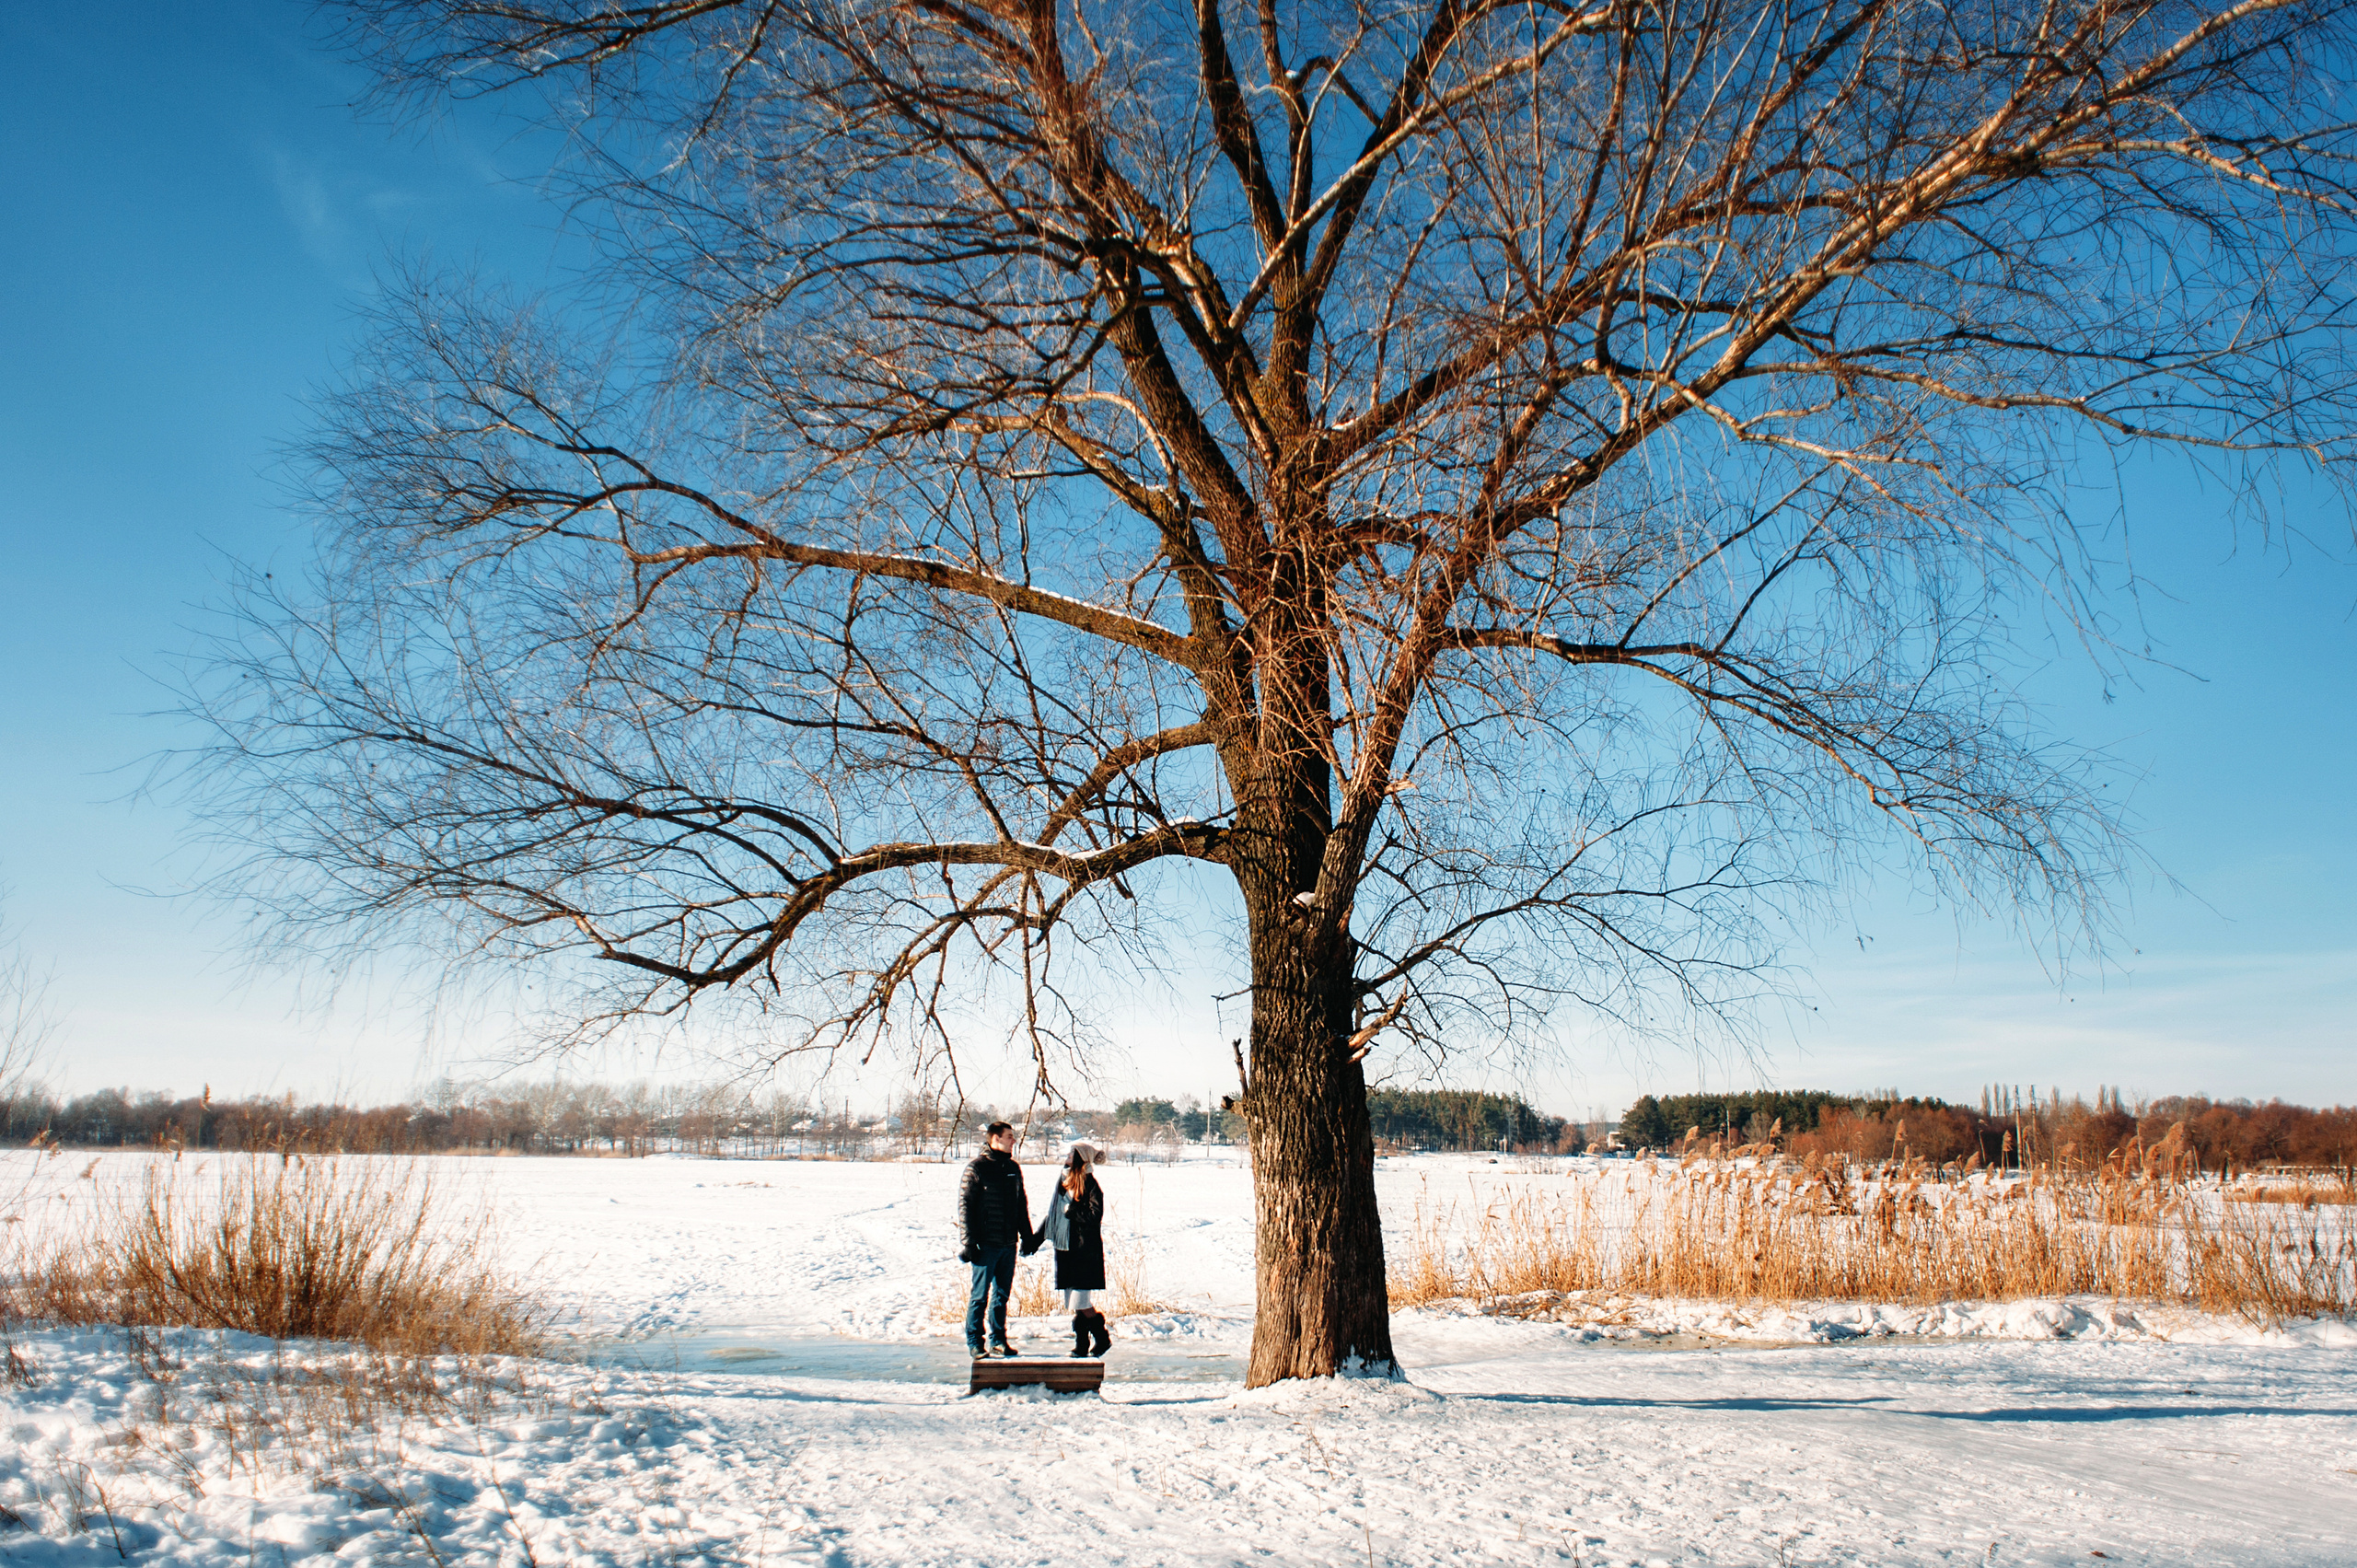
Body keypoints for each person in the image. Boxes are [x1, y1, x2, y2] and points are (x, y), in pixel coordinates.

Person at [957, 1121, 1039, 1357]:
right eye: (1009, 1136)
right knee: (979, 1296)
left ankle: (998, 1340)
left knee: (1001, 1295)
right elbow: (965, 1207)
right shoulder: (977, 1168)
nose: (1014, 1140)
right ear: (995, 1139)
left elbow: (1020, 1204)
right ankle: (975, 1342)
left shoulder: (1013, 1168)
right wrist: (969, 1242)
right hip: (985, 1244)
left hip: (1008, 1244)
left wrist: (1028, 1236)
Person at [1039, 1142, 1110, 1357]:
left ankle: (1101, 1338)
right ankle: (1082, 1346)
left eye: (1072, 1152)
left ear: (1081, 1158)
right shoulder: (1065, 1182)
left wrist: (1072, 1212)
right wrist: (1036, 1239)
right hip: (1067, 1249)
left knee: (1081, 1301)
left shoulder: (1090, 1184)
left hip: (1084, 1251)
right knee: (1076, 1302)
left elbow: (1095, 1215)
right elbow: (1053, 1215)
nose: (1067, 1155)